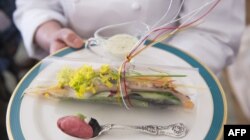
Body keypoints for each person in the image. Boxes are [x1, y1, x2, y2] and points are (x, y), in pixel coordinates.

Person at [14, 0, 245, 75]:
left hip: (170, 70)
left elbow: (212, 31)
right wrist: (50, 32)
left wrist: (158, 76)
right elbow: (34, 5)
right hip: (76, 64)